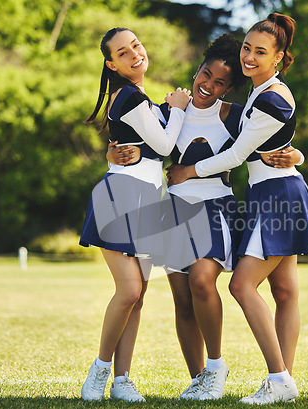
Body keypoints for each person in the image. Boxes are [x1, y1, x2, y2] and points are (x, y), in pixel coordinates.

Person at [110, 33, 305, 401]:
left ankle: (217, 367)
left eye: (220, 82)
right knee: (183, 301)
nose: (209, 85)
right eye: (206, 75)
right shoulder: (170, 111)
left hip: (217, 208)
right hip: (173, 210)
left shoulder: (235, 116)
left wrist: (297, 157)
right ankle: (201, 377)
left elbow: (275, 140)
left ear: (230, 88)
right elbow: (132, 140)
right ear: (197, 69)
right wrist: (112, 154)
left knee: (203, 279)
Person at [166, 13, 308, 405]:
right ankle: (282, 381)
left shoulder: (271, 96)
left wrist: (187, 171)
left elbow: (237, 154)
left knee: (241, 285)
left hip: (278, 196)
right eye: (247, 49)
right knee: (284, 291)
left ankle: (280, 379)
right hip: (267, 192)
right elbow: (279, 143)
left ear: (279, 57)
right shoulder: (260, 90)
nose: (250, 57)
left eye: (260, 52)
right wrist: (297, 155)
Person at [78, 27, 191, 402]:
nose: (135, 54)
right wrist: (176, 108)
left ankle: (122, 381)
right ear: (112, 64)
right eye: (123, 53)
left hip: (147, 198)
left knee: (138, 295)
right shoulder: (127, 95)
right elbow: (164, 143)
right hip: (120, 196)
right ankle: (100, 369)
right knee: (129, 291)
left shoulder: (140, 97)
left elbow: (153, 147)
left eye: (137, 45)